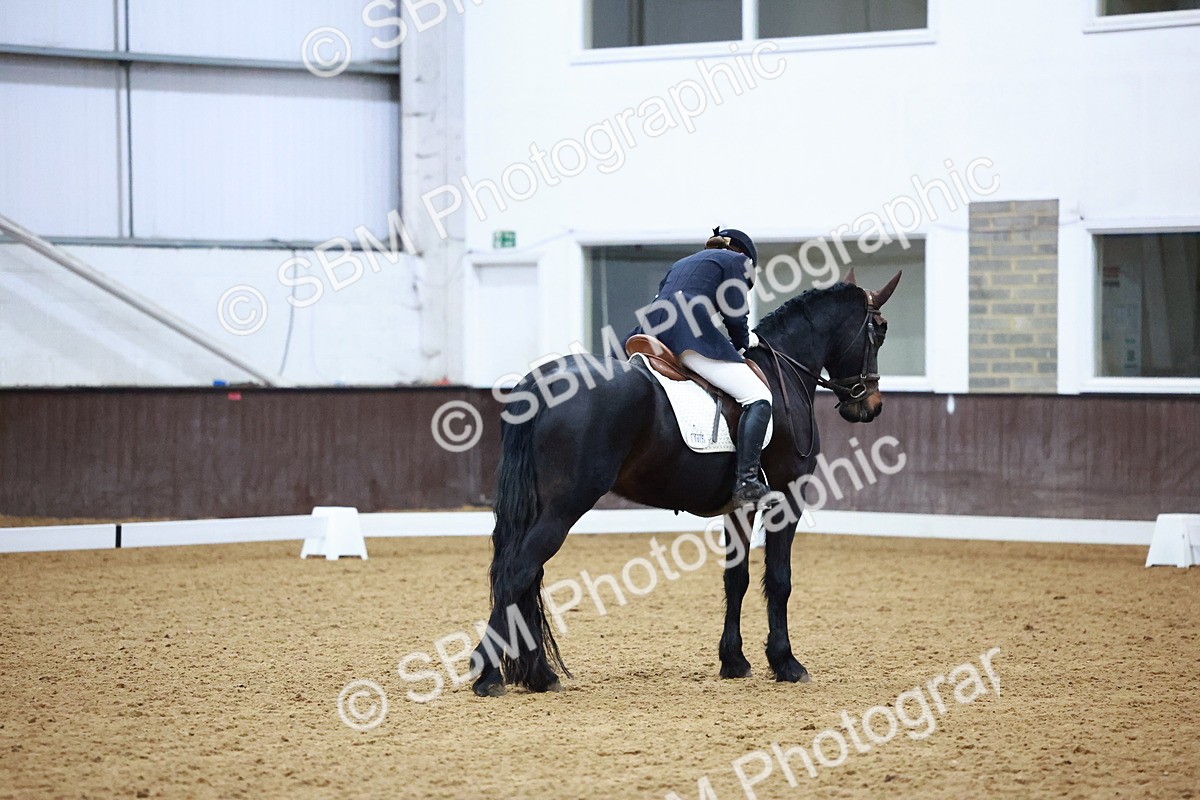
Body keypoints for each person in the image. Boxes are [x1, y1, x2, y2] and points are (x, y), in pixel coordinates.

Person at [627, 227, 773, 506]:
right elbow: (735, 315)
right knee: (758, 397)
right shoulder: (737, 262)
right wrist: (742, 345)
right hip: (685, 335)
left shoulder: (683, 263)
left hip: (651, 332)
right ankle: (747, 481)